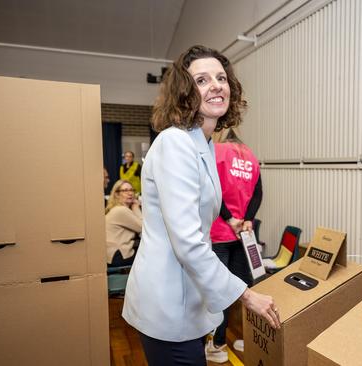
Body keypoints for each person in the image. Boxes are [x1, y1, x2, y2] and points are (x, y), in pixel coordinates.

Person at [122, 45, 281, 366]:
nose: (216, 85)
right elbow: (188, 243)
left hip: (186, 298)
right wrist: (247, 296)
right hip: (167, 302)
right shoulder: (175, 143)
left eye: (221, 78)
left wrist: (234, 222)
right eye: (202, 80)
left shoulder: (204, 143)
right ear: (184, 92)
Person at [207, 128, 262, 360]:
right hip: (243, 235)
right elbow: (258, 193)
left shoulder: (215, 151)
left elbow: (213, 191)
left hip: (220, 231)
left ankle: (217, 345)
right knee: (244, 287)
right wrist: (247, 219)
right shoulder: (250, 156)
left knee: (220, 289)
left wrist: (230, 218)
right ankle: (248, 339)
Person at [105, 180, 142, 267]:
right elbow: (144, 228)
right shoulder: (121, 210)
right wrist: (136, 207)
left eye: (131, 190)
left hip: (112, 255)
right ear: (117, 194)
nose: (130, 193)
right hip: (119, 255)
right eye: (125, 190)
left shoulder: (116, 209)